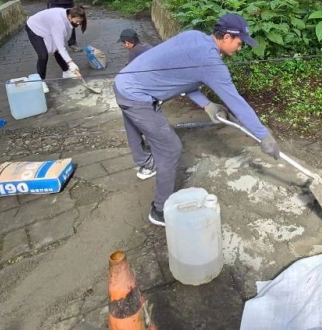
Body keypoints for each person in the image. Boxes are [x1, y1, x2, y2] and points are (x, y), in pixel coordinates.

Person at [113, 13, 279, 226]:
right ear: (227, 37)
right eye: (240, 43)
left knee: (133, 121)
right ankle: (159, 210)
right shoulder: (211, 63)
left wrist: (207, 104)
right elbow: (236, 102)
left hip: (124, 81)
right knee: (170, 148)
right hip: (137, 96)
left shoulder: (194, 36)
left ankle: (146, 165)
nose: (240, 48)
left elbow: (184, 76)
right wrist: (263, 135)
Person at [25, 6, 86, 93]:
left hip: (47, 28)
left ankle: (66, 72)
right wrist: (70, 62)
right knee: (43, 55)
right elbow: (61, 47)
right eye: (77, 21)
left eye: (80, 21)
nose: (79, 24)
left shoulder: (69, 16)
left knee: (57, 50)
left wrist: (66, 58)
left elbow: (61, 44)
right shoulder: (59, 23)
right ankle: (41, 81)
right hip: (34, 27)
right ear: (70, 17)